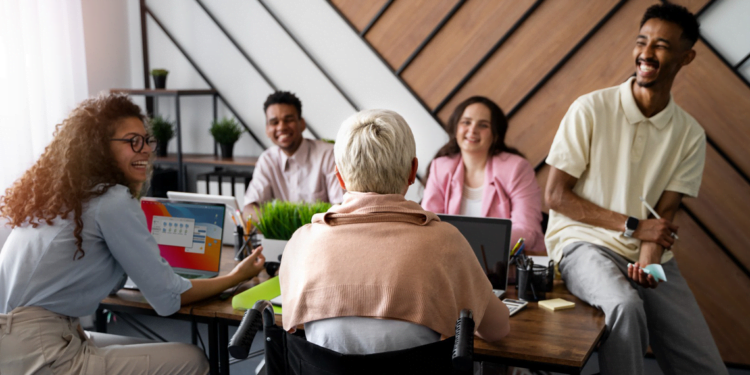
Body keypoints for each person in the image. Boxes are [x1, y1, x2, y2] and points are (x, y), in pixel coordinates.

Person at [0, 94, 266, 375]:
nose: (146, 150)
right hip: (43, 352)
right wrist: (236, 276)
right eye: (132, 141)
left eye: (146, 140)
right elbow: (167, 299)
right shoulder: (111, 200)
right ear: (99, 147)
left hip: (16, 347)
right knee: (193, 359)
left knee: (136, 345)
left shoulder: (57, 197)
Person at [544, 4, 726, 375]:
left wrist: (648, 262)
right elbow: (555, 197)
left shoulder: (689, 134)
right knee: (625, 306)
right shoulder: (590, 109)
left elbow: (663, 216)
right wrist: (633, 225)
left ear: (686, 57)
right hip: (582, 243)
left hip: (644, 252)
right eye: (642, 42)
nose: (646, 53)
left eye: (660, 45)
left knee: (707, 368)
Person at [280, 109, 510, 355]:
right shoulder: (446, 241)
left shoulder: (301, 243)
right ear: (413, 171)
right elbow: (497, 330)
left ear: (340, 178)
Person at [422, 96, 545, 254]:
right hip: (451, 262)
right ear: (455, 128)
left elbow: (528, 231)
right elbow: (428, 223)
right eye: (466, 122)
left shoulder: (516, 168)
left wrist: (478, 245)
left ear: (496, 134)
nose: (472, 130)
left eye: (483, 125)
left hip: (504, 266)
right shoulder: (440, 166)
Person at [242, 91, 344, 218]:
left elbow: (341, 209)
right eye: (274, 122)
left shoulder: (328, 155)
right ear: (267, 130)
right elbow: (249, 209)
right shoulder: (267, 160)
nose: (281, 127)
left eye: (288, 120)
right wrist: (280, 225)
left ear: (302, 124)